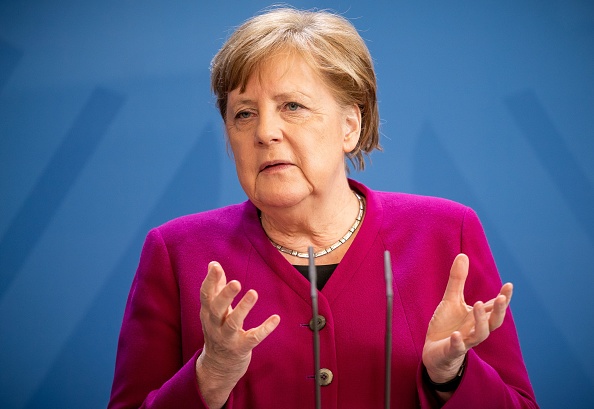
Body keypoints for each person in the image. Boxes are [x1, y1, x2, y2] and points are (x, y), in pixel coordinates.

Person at [107, 7, 538, 409]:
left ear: (351, 125)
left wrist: (451, 375)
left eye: (292, 106)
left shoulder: (447, 233)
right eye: (243, 114)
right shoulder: (177, 252)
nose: (265, 132)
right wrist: (210, 374)